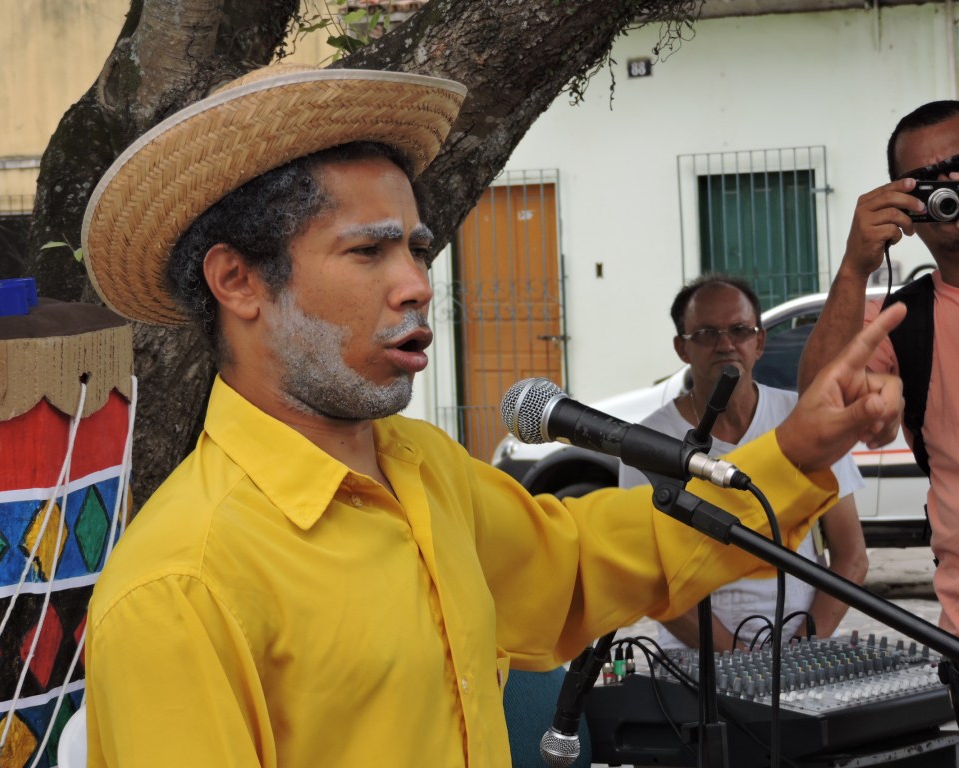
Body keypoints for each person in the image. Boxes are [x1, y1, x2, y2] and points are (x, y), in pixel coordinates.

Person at [79, 64, 905, 768]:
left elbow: (583, 563)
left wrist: (797, 448)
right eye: (369, 251)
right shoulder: (178, 588)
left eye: (416, 249)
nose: (415, 284)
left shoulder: (422, 466)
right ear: (238, 282)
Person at [619, 274, 869, 651]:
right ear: (681, 349)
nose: (725, 344)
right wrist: (735, 661)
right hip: (694, 664)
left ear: (760, 342)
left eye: (739, 330)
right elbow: (648, 581)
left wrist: (801, 648)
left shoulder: (803, 420)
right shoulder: (647, 444)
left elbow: (852, 559)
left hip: (798, 656)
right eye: (705, 333)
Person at [798, 100, 959, 634]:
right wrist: (854, 264)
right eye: (925, 180)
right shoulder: (904, 320)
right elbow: (816, 410)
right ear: (907, 214)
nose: (949, 184)